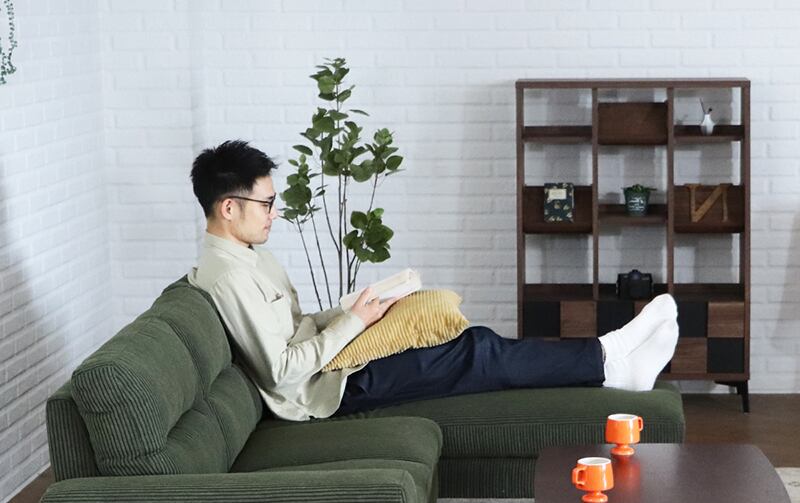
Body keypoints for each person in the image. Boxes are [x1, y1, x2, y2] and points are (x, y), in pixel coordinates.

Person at [188, 140, 679, 422]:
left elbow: (297, 327)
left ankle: (610, 362)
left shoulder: (251, 257)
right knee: (476, 353)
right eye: (266, 203)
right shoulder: (227, 278)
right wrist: (351, 324)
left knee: (470, 341)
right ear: (229, 208)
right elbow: (281, 371)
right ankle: (611, 360)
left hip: (334, 365)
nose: (274, 213)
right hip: (326, 392)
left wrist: (354, 311)